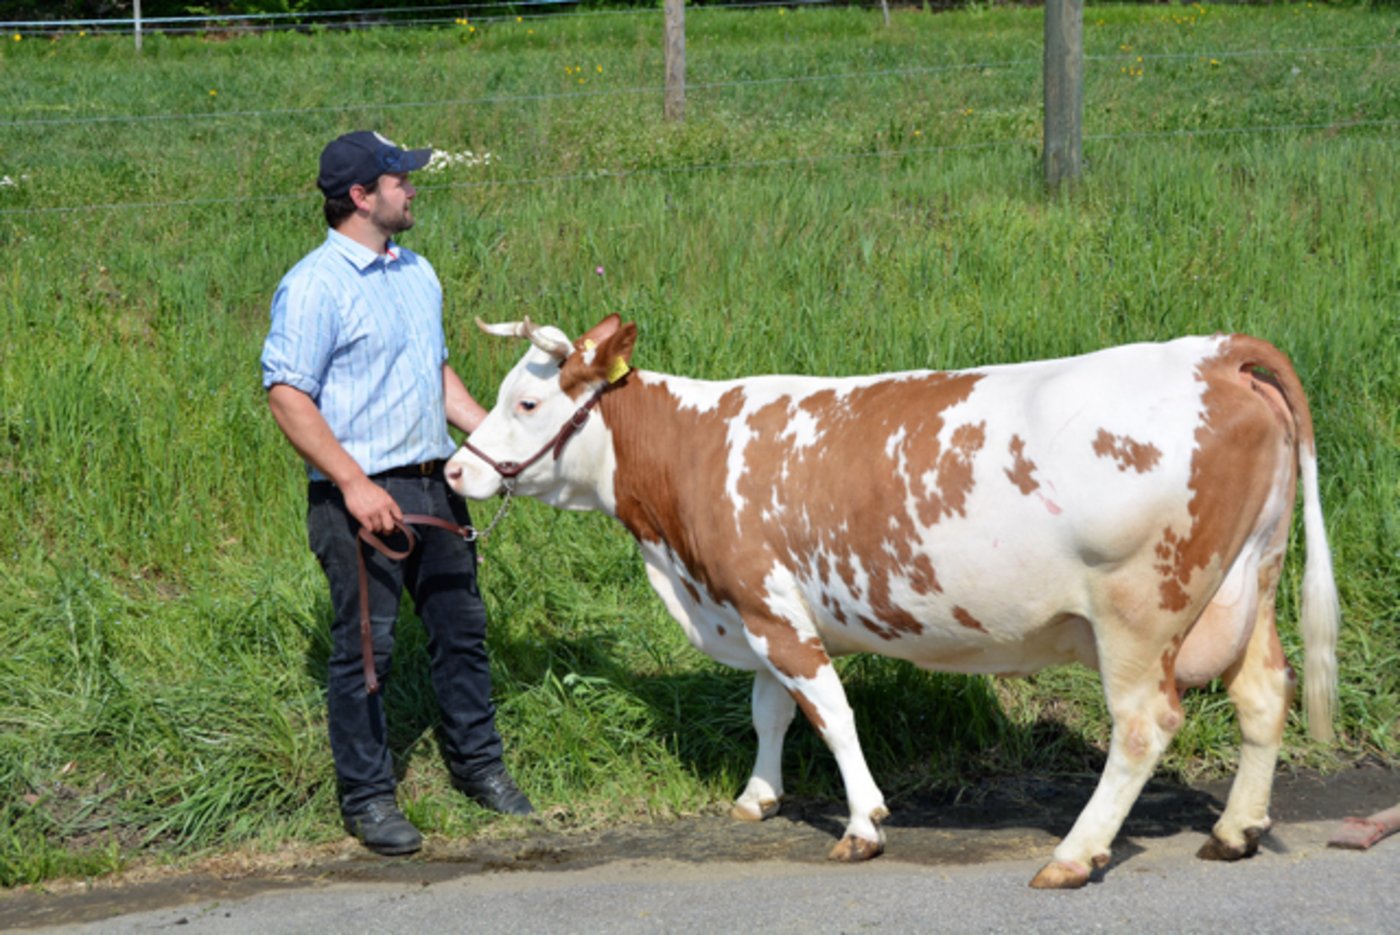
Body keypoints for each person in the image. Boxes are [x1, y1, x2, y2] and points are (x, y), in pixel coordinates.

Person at [261, 130, 532, 857]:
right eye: (399, 180)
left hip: (435, 484)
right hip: (357, 498)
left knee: (463, 632)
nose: (412, 189)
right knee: (366, 652)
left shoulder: (419, 272)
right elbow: (288, 394)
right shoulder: (315, 284)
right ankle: (369, 796)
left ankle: (481, 768)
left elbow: (435, 375)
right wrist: (352, 484)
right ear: (360, 196)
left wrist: (495, 442)